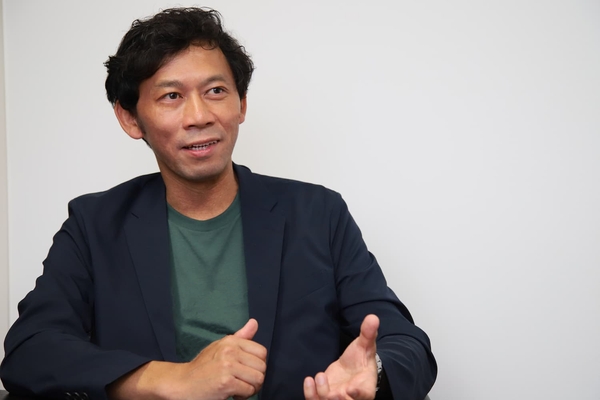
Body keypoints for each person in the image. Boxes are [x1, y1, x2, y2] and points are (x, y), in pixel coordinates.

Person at [0, 7, 436, 400]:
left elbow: (406, 343)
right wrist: (172, 379)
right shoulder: (94, 224)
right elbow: (29, 351)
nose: (199, 116)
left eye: (215, 91)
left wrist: (375, 373)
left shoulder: (318, 213)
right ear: (130, 118)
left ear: (241, 104)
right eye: (171, 96)